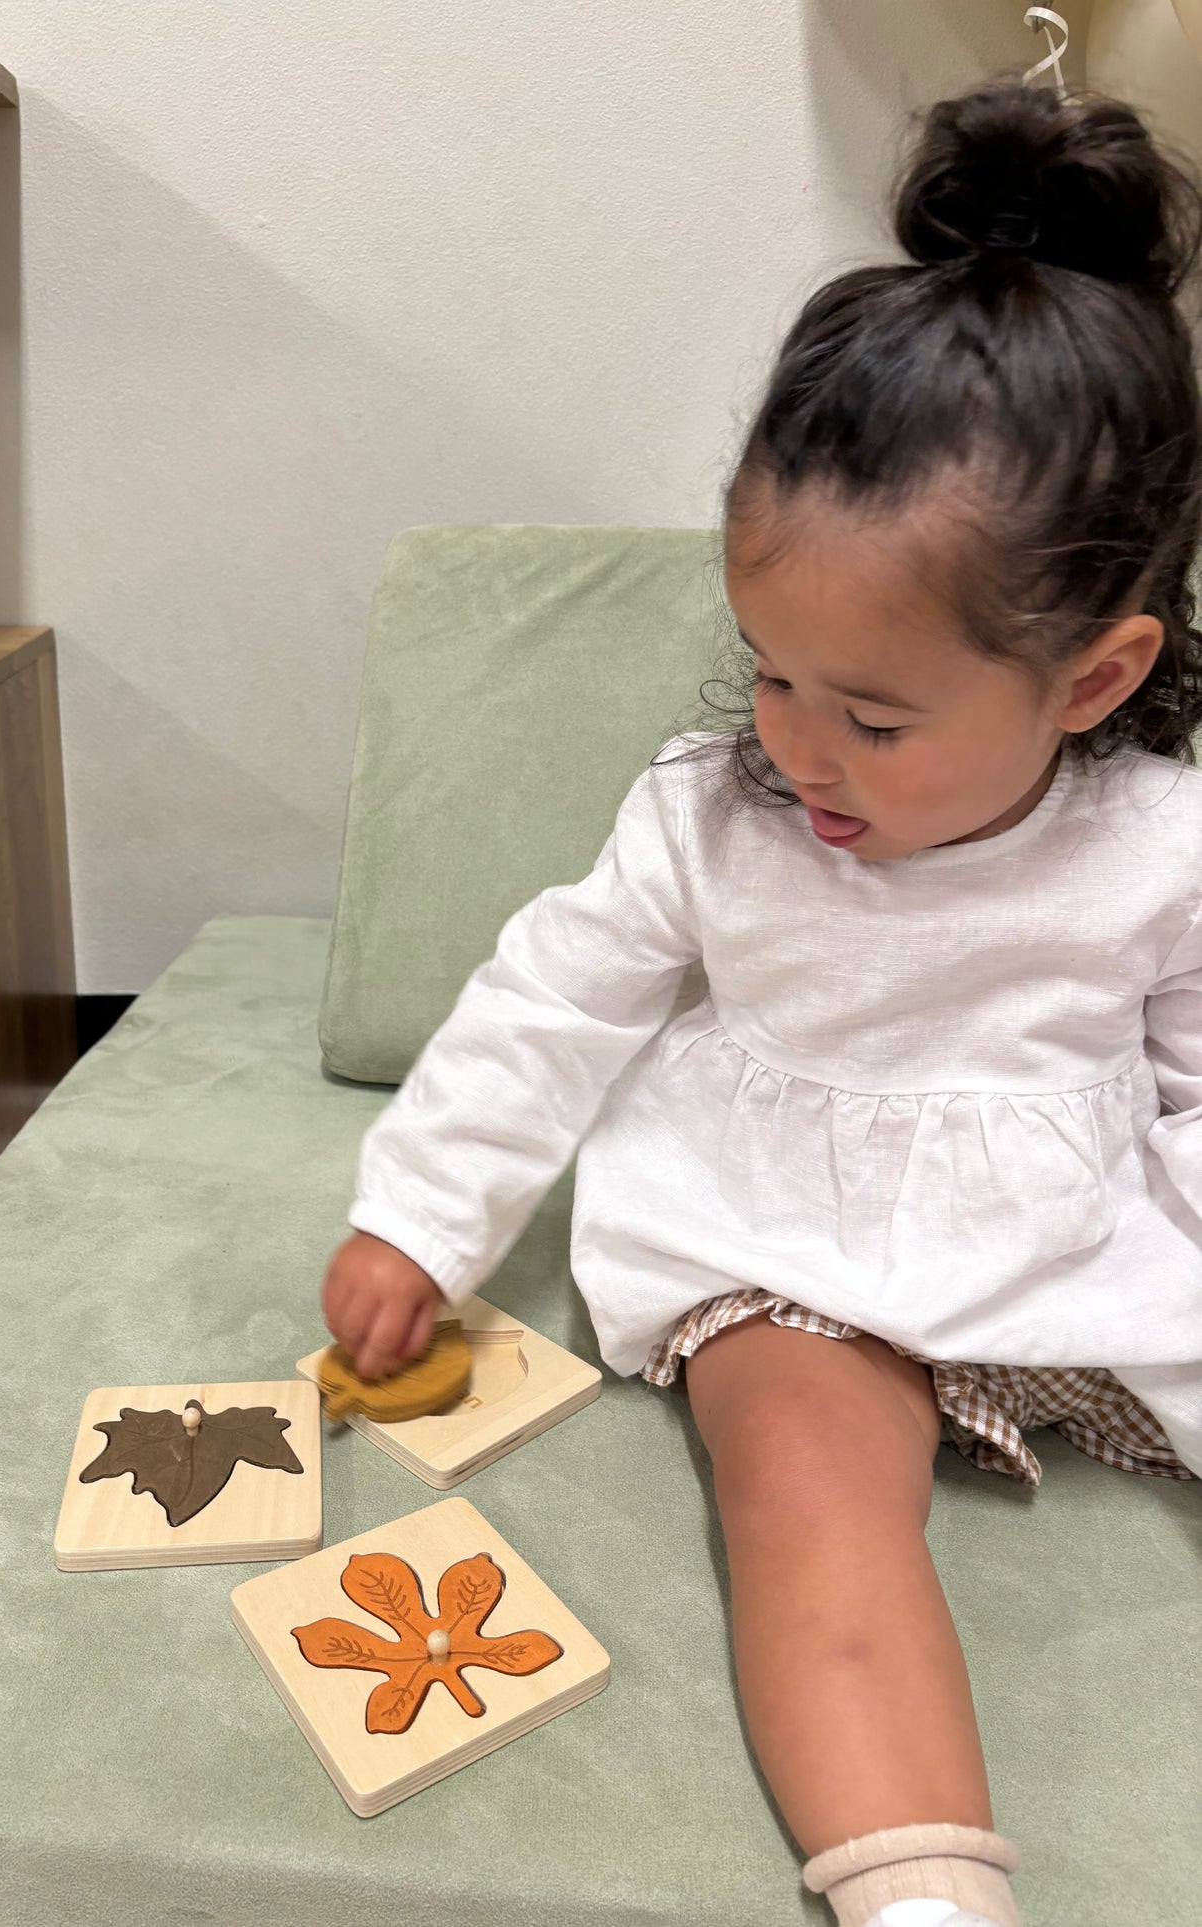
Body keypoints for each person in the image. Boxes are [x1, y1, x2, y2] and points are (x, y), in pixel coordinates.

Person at [319, 77, 1202, 1927]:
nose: (793, 747)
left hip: (1072, 1219)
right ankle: (922, 1901)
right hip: (778, 1231)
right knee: (802, 1489)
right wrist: (424, 1207)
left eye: (870, 716)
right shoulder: (707, 820)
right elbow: (547, 1001)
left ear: (1093, 676)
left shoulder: (1161, 845)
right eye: (771, 674)